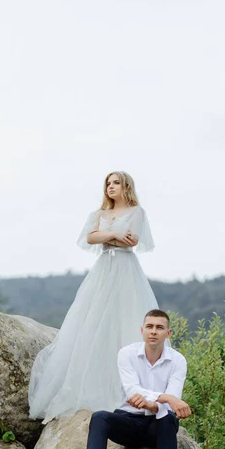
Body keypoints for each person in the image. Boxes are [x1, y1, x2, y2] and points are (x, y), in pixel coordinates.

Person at [28, 171, 159, 423]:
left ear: (126, 186)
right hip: (103, 271)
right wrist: (112, 235)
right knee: (91, 324)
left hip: (125, 270)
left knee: (124, 323)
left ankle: (129, 394)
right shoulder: (98, 215)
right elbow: (89, 238)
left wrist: (109, 236)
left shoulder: (136, 212)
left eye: (116, 183)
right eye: (108, 183)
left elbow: (130, 242)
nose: (111, 187)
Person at [74, 309, 191, 449]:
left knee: (168, 419)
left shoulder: (178, 361)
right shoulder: (127, 354)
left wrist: (154, 404)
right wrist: (164, 398)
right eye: (149, 326)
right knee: (100, 417)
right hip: (129, 422)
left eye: (159, 327)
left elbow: (171, 406)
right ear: (142, 330)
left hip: (156, 427)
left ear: (168, 333)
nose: (153, 331)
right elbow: (132, 391)